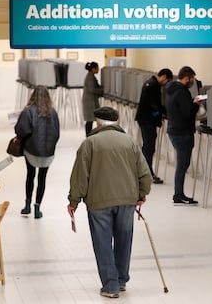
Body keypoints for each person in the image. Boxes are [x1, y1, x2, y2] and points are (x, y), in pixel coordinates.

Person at [67, 106, 152, 299]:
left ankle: (111, 285)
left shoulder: (89, 143)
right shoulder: (130, 142)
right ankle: (121, 279)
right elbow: (144, 173)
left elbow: (80, 177)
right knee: (124, 239)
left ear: (98, 122)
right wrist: (141, 194)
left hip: (99, 202)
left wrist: (74, 201)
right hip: (126, 201)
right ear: (116, 122)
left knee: (102, 241)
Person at [15, 85, 60, 219]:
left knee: (30, 175)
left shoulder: (28, 111)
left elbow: (21, 130)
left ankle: (27, 205)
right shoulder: (53, 112)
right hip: (48, 152)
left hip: (31, 149)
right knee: (42, 178)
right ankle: (37, 207)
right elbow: (57, 133)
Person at [165, 66, 200, 205]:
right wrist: (196, 105)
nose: (193, 82)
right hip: (183, 132)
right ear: (187, 78)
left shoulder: (170, 89)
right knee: (182, 165)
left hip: (174, 130)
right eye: (192, 79)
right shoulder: (182, 92)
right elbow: (187, 113)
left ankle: (178, 194)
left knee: (181, 164)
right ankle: (178, 195)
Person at [135, 68, 173, 184]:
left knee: (147, 146)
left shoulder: (149, 82)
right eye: (167, 81)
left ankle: (142, 172)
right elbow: (155, 105)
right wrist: (167, 112)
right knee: (149, 147)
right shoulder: (154, 85)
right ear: (164, 77)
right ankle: (147, 174)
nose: (166, 84)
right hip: (148, 120)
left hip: (144, 119)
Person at [82, 61, 103, 137]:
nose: (98, 69)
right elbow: (92, 89)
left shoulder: (91, 76)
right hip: (89, 102)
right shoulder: (90, 77)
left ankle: (89, 135)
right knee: (89, 120)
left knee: (90, 120)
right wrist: (103, 91)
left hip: (90, 101)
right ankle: (88, 135)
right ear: (93, 69)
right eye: (97, 68)